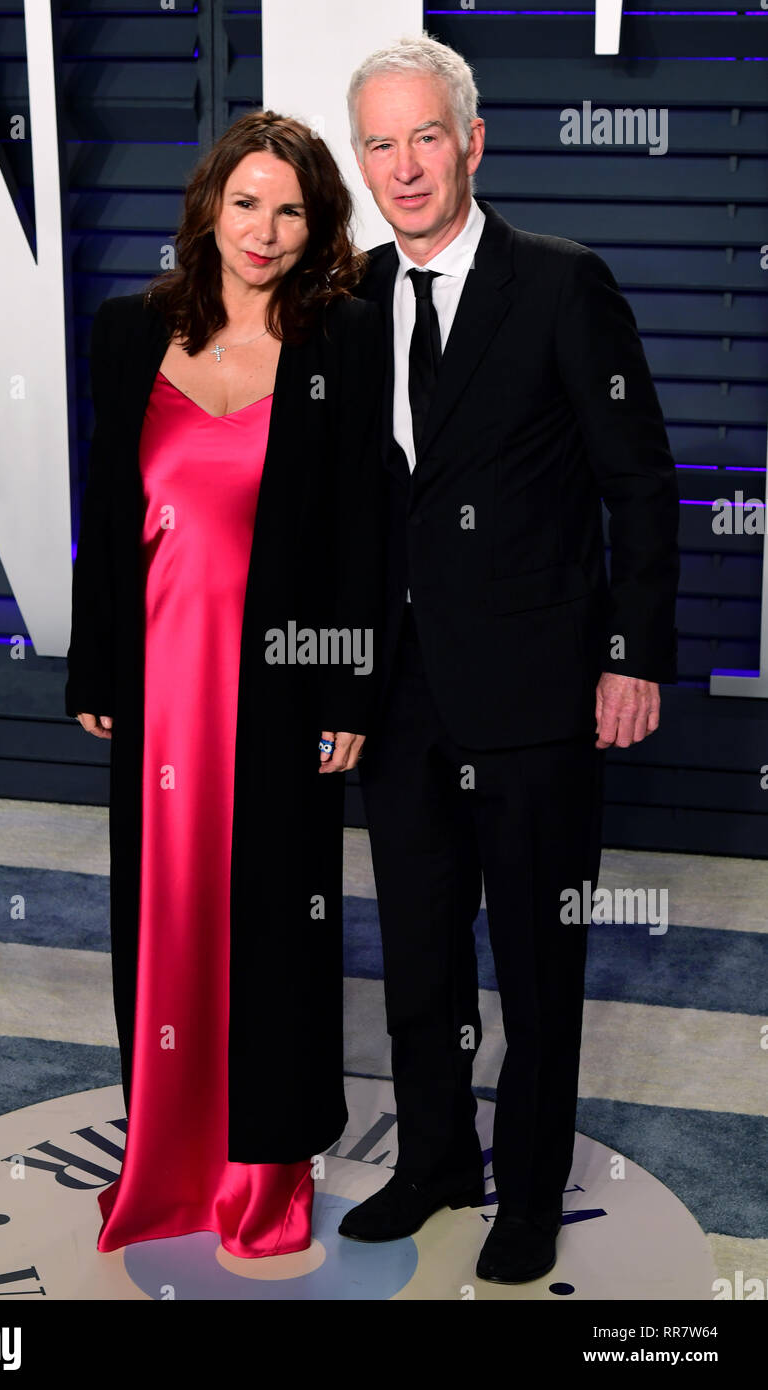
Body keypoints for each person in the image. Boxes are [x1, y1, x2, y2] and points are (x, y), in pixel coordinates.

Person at [339, 35, 680, 1283]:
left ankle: (527, 1191)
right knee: (417, 951)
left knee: (538, 957)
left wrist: (631, 654)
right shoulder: (355, 299)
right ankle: (434, 1158)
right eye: (380, 143)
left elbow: (637, 482)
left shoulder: (558, 284)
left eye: (426, 135)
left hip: (539, 690)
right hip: (402, 693)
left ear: (472, 142)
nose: (405, 165)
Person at [64, 111, 384, 1258]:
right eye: (246, 202)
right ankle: (163, 1161)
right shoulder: (125, 330)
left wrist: (350, 688)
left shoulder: (341, 337)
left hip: (281, 688)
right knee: (161, 916)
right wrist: (94, 660)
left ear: (317, 225)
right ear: (207, 207)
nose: (265, 229)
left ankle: (262, 1176)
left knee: (274, 930)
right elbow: (106, 514)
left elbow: (362, 525)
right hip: (157, 683)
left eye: (291, 209)